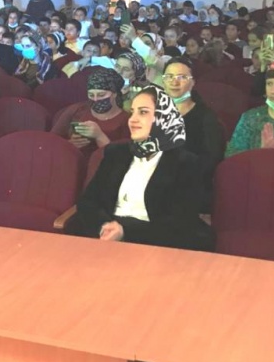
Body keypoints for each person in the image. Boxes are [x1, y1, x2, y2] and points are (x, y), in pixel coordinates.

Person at [66, 86, 213, 249]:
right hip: (105, 238)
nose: (132, 119)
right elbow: (88, 201)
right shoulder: (116, 153)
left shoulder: (185, 163)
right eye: (132, 112)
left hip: (155, 245)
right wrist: (104, 227)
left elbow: (180, 223)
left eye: (143, 112)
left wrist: (125, 231)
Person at [161, 57, 225, 212]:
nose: (174, 82)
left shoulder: (205, 117)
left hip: (189, 188)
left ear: (193, 82)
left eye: (182, 77)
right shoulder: (152, 112)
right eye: (169, 77)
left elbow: (211, 160)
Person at [53, 67, 130, 157]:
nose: (95, 99)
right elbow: (51, 140)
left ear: (115, 94)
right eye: (91, 95)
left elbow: (121, 158)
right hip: (73, 159)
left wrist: (99, 136)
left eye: (101, 95)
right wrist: (70, 144)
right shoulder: (77, 109)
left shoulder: (126, 119)